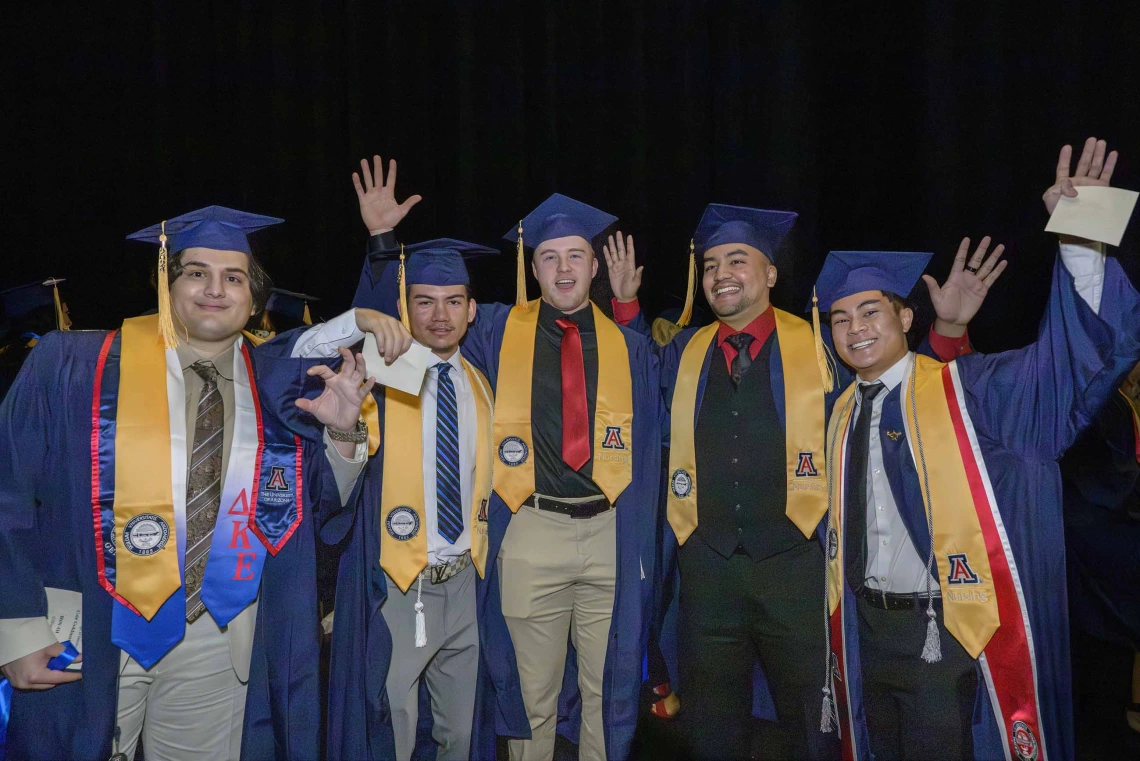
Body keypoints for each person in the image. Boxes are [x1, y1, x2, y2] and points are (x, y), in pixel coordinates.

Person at [604, 204, 987, 760]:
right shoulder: (683, 352)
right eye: (710, 265)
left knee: (817, 724)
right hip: (707, 575)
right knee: (711, 727)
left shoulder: (822, 347)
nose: (721, 275)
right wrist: (624, 305)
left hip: (799, 572)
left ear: (771, 274)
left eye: (738, 260)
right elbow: (630, 382)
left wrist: (948, 330)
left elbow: (904, 390)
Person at [0, 205, 376, 761]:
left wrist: (343, 437)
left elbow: (316, 517)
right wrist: (18, 628)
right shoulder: (73, 364)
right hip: (93, 627)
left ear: (255, 297)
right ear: (167, 282)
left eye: (234, 277)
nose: (214, 290)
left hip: (218, 635)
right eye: (196, 272)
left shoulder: (281, 387)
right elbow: (8, 493)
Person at [818, 137, 1140, 761]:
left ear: (905, 318)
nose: (855, 328)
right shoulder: (838, 413)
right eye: (840, 318)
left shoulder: (974, 392)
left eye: (870, 311)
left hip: (945, 639)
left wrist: (1081, 237)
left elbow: (1066, 371)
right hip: (863, 636)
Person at [313, 238, 499, 761]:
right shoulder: (374, 379)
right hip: (396, 583)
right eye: (424, 301)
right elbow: (340, 480)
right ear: (403, 307)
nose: (440, 315)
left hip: (466, 584)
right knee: (389, 728)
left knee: (460, 735)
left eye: (453, 301)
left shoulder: (482, 384)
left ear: (471, 311)